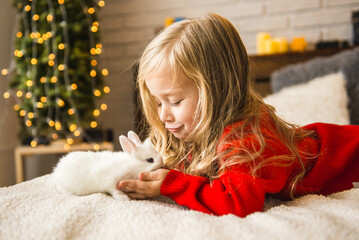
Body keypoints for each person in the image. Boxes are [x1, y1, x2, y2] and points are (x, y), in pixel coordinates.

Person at [117, 13, 359, 217]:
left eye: (175, 101)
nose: (164, 115)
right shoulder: (193, 131)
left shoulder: (246, 136)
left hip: (348, 153)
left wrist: (172, 184)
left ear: (217, 90)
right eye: (158, 102)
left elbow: (237, 201)